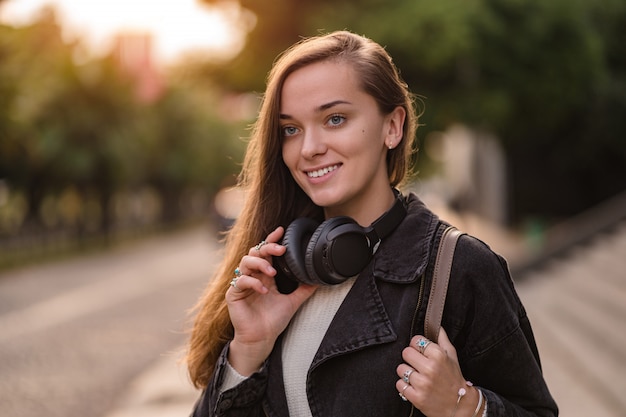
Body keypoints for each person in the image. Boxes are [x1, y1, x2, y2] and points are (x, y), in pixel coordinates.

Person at [186, 30, 558, 417]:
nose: (309, 147)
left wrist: (465, 406)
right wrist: (248, 350)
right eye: (291, 129)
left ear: (392, 127)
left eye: (335, 119)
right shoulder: (278, 273)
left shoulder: (460, 267)